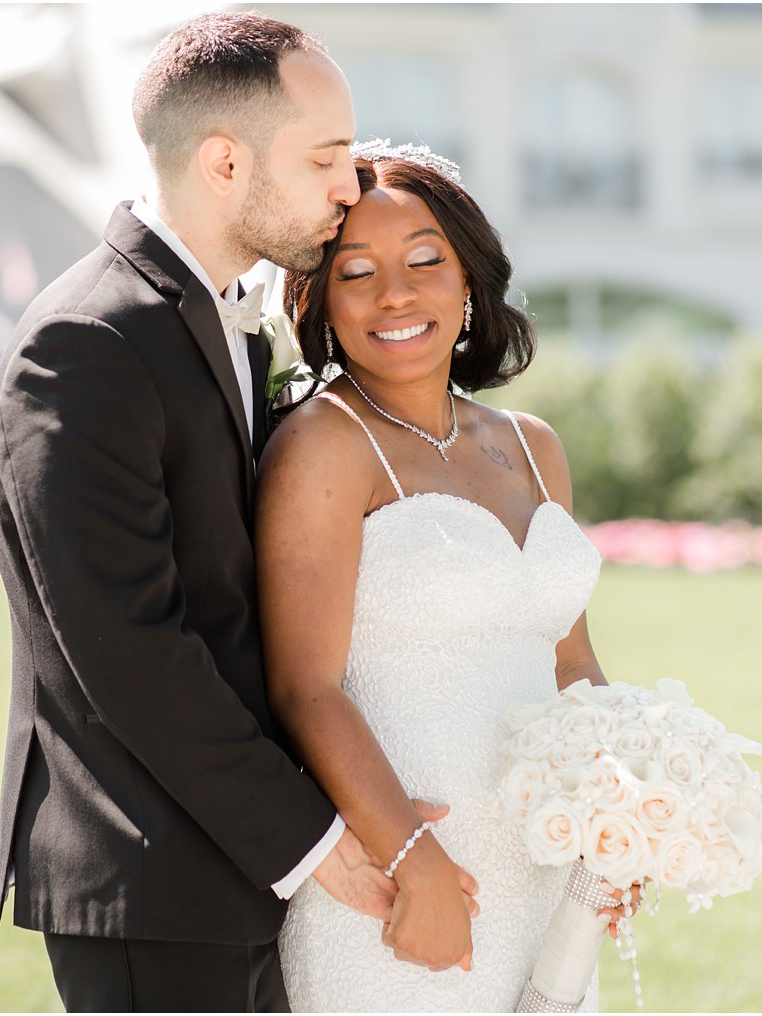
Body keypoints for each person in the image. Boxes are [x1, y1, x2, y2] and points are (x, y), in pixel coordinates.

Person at [0, 16, 471, 1012]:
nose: (350, 185)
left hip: (229, 875)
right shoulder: (85, 345)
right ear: (222, 161)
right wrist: (320, 839)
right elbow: (129, 647)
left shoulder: (229, 325)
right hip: (147, 875)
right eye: (326, 158)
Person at [258, 145, 642, 1012]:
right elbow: (304, 688)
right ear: (320, 301)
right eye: (357, 273)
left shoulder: (534, 446)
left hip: (544, 880)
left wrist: (624, 818)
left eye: (425, 261)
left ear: (468, 278)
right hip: (405, 885)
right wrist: (410, 860)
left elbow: (572, 663)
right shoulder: (323, 447)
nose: (396, 294)